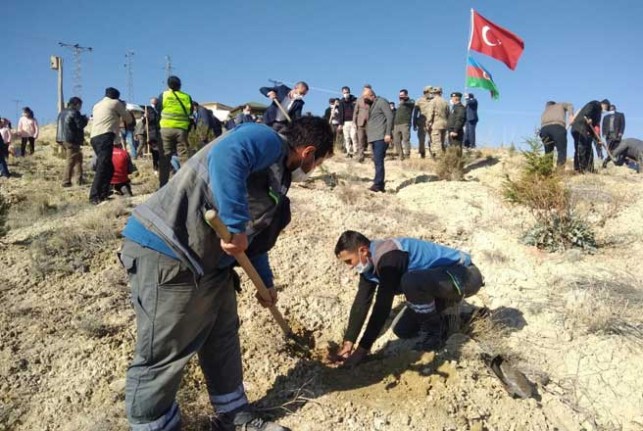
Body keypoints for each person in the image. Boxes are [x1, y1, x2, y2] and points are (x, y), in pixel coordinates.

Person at [118, 116, 333, 431]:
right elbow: (227, 156)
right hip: (168, 250)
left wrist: (266, 285)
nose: (312, 171)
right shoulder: (266, 138)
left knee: (222, 337)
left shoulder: (278, 177)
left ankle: (234, 416)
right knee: (164, 352)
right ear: (309, 152)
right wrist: (233, 223)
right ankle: (153, 425)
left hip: (210, 263)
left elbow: (251, 242)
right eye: (318, 164)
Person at [329, 231, 484, 367]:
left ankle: (433, 335)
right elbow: (361, 302)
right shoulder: (369, 265)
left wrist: (362, 350)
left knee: (411, 281)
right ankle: (457, 320)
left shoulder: (389, 257)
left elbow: (382, 306)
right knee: (402, 329)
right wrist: (348, 342)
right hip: (438, 285)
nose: (349, 267)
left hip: (465, 276)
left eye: (349, 261)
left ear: (362, 250)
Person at [89, 87, 133, 205]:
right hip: (105, 136)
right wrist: (123, 107)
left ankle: (103, 194)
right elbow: (128, 119)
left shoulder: (97, 105)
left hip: (94, 137)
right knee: (103, 167)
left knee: (109, 167)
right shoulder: (116, 103)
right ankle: (94, 196)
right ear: (116, 96)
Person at [158, 75, 194, 187]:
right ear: (180, 85)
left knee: (165, 157)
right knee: (183, 156)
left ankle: (163, 185)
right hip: (182, 130)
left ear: (168, 85)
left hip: (166, 129)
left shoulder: (164, 95)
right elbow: (191, 111)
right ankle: (187, 183)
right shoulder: (187, 97)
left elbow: (158, 109)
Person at [363, 87, 393, 193]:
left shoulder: (382, 102)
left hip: (381, 137)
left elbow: (390, 117)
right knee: (376, 161)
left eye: (365, 97)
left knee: (379, 161)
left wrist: (388, 133)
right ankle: (379, 184)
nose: (364, 99)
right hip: (374, 137)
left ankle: (378, 185)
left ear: (372, 95)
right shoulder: (371, 105)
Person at [56, 97, 89, 187]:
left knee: (78, 159)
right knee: (70, 160)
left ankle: (79, 179)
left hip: (62, 138)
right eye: (80, 106)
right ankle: (66, 181)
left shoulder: (62, 113)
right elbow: (80, 125)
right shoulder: (74, 112)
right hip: (71, 139)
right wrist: (85, 120)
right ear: (77, 104)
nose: (80, 108)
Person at [571, 99, 609, 173]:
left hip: (587, 131)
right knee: (581, 148)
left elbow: (593, 127)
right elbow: (589, 109)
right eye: (606, 108)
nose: (605, 110)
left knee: (589, 149)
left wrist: (598, 140)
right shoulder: (595, 104)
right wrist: (588, 117)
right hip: (579, 127)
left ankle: (590, 169)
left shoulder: (599, 114)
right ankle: (580, 169)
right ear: (604, 104)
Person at [539, 101, 574, 168]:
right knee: (561, 150)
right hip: (557, 127)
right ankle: (559, 171)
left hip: (544, 130)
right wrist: (571, 116)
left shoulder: (545, 111)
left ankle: (547, 171)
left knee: (548, 152)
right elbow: (569, 105)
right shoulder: (560, 105)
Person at [426, 87, 450, 158]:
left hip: (436, 125)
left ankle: (440, 162)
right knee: (442, 143)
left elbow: (430, 114)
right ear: (441, 93)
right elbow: (448, 114)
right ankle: (445, 159)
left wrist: (428, 123)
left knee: (437, 144)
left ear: (433, 93)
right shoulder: (445, 102)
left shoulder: (433, 101)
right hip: (445, 124)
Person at [392, 89, 415, 160]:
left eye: (402, 95)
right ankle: (401, 156)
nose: (400, 97)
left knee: (406, 140)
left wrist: (404, 101)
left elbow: (412, 103)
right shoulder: (399, 104)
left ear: (406, 95)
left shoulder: (410, 101)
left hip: (405, 124)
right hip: (396, 124)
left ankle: (407, 156)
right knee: (396, 141)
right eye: (399, 95)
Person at [353, 84, 372, 163]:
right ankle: (361, 156)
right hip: (360, 123)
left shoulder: (373, 99)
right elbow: (355, 112)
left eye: (367, 90)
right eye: (364, 90)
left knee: (371, 140)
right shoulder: (359, 99)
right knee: (360, 140)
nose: (366, 91)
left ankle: (373, 156)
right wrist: (354, 122)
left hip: (370, 122)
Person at [338, 86, 358, 159]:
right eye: (344, 93)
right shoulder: (341, 102)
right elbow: (340, 113)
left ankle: (355, 151)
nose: (346, 94)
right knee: (347, 138)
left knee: (353, 136)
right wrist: (340, 123)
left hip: (353, 122)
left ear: (349, 92)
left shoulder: (354, 100)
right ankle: (348, 152)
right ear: (342, 93)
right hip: (345, 123)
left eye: (347, 92)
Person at [413, 86, 433, 159]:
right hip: (422, 123)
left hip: (432, 123)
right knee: (421, 140)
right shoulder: (419, 101)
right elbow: (415, 113)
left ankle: (433, 154)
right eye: (430, 92)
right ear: (425, 92)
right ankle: (422, 153)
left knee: (432, 139)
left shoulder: (434, 100)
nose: (431, 94)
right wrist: (414, 123)